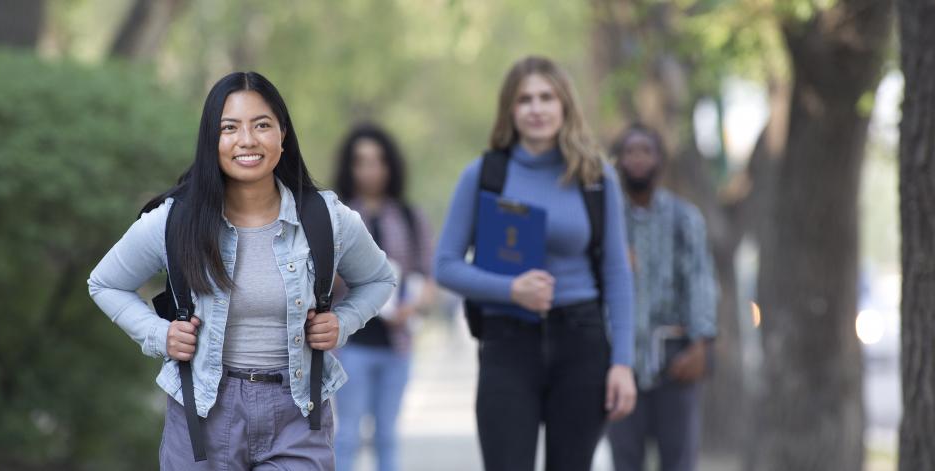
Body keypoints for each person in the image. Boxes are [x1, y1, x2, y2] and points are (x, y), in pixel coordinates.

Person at [87, 71, 396, 470]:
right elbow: (106, 282)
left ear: (282, 135)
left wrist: (343, 321)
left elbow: (379, 279)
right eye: (229, 128)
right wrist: (159, 334)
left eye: (262, 125)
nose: (247, 140)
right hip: (201, 411)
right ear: (210, 141)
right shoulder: (176, 220)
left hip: (298, 412)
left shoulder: (327, 218)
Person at [434, 55, 638, 471]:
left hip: (582, 342)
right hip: (507, 344)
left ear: (565, 105)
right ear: (511, 109)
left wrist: (623, 364)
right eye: (525, 99)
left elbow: (618, 273)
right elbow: (445, 265)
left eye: (547, 97)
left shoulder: (596, 176)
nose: (537, 108)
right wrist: (511, 290)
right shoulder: (484, 175)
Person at [605, 124, 717, 471]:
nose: (637, 159)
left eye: (646, 151)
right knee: (626, 461)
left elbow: (701, 280)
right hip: (620, 362)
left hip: (675, 358)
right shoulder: (607, 220)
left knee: (679, 461)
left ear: (660, 160)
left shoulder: (685, 218)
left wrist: (701, 345)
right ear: (618, 161)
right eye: (630, 152)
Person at [331, 123, 437, 471]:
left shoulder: (409, 216)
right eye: (361, 161)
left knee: (387, 436)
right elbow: (317, 281)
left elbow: (430, 276)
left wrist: (414, 304)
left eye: (377, 161)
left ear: (391, 166)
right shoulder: (336, 216)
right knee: (346, 436)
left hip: (397, 344)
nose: (370, 170)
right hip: (351, 343)